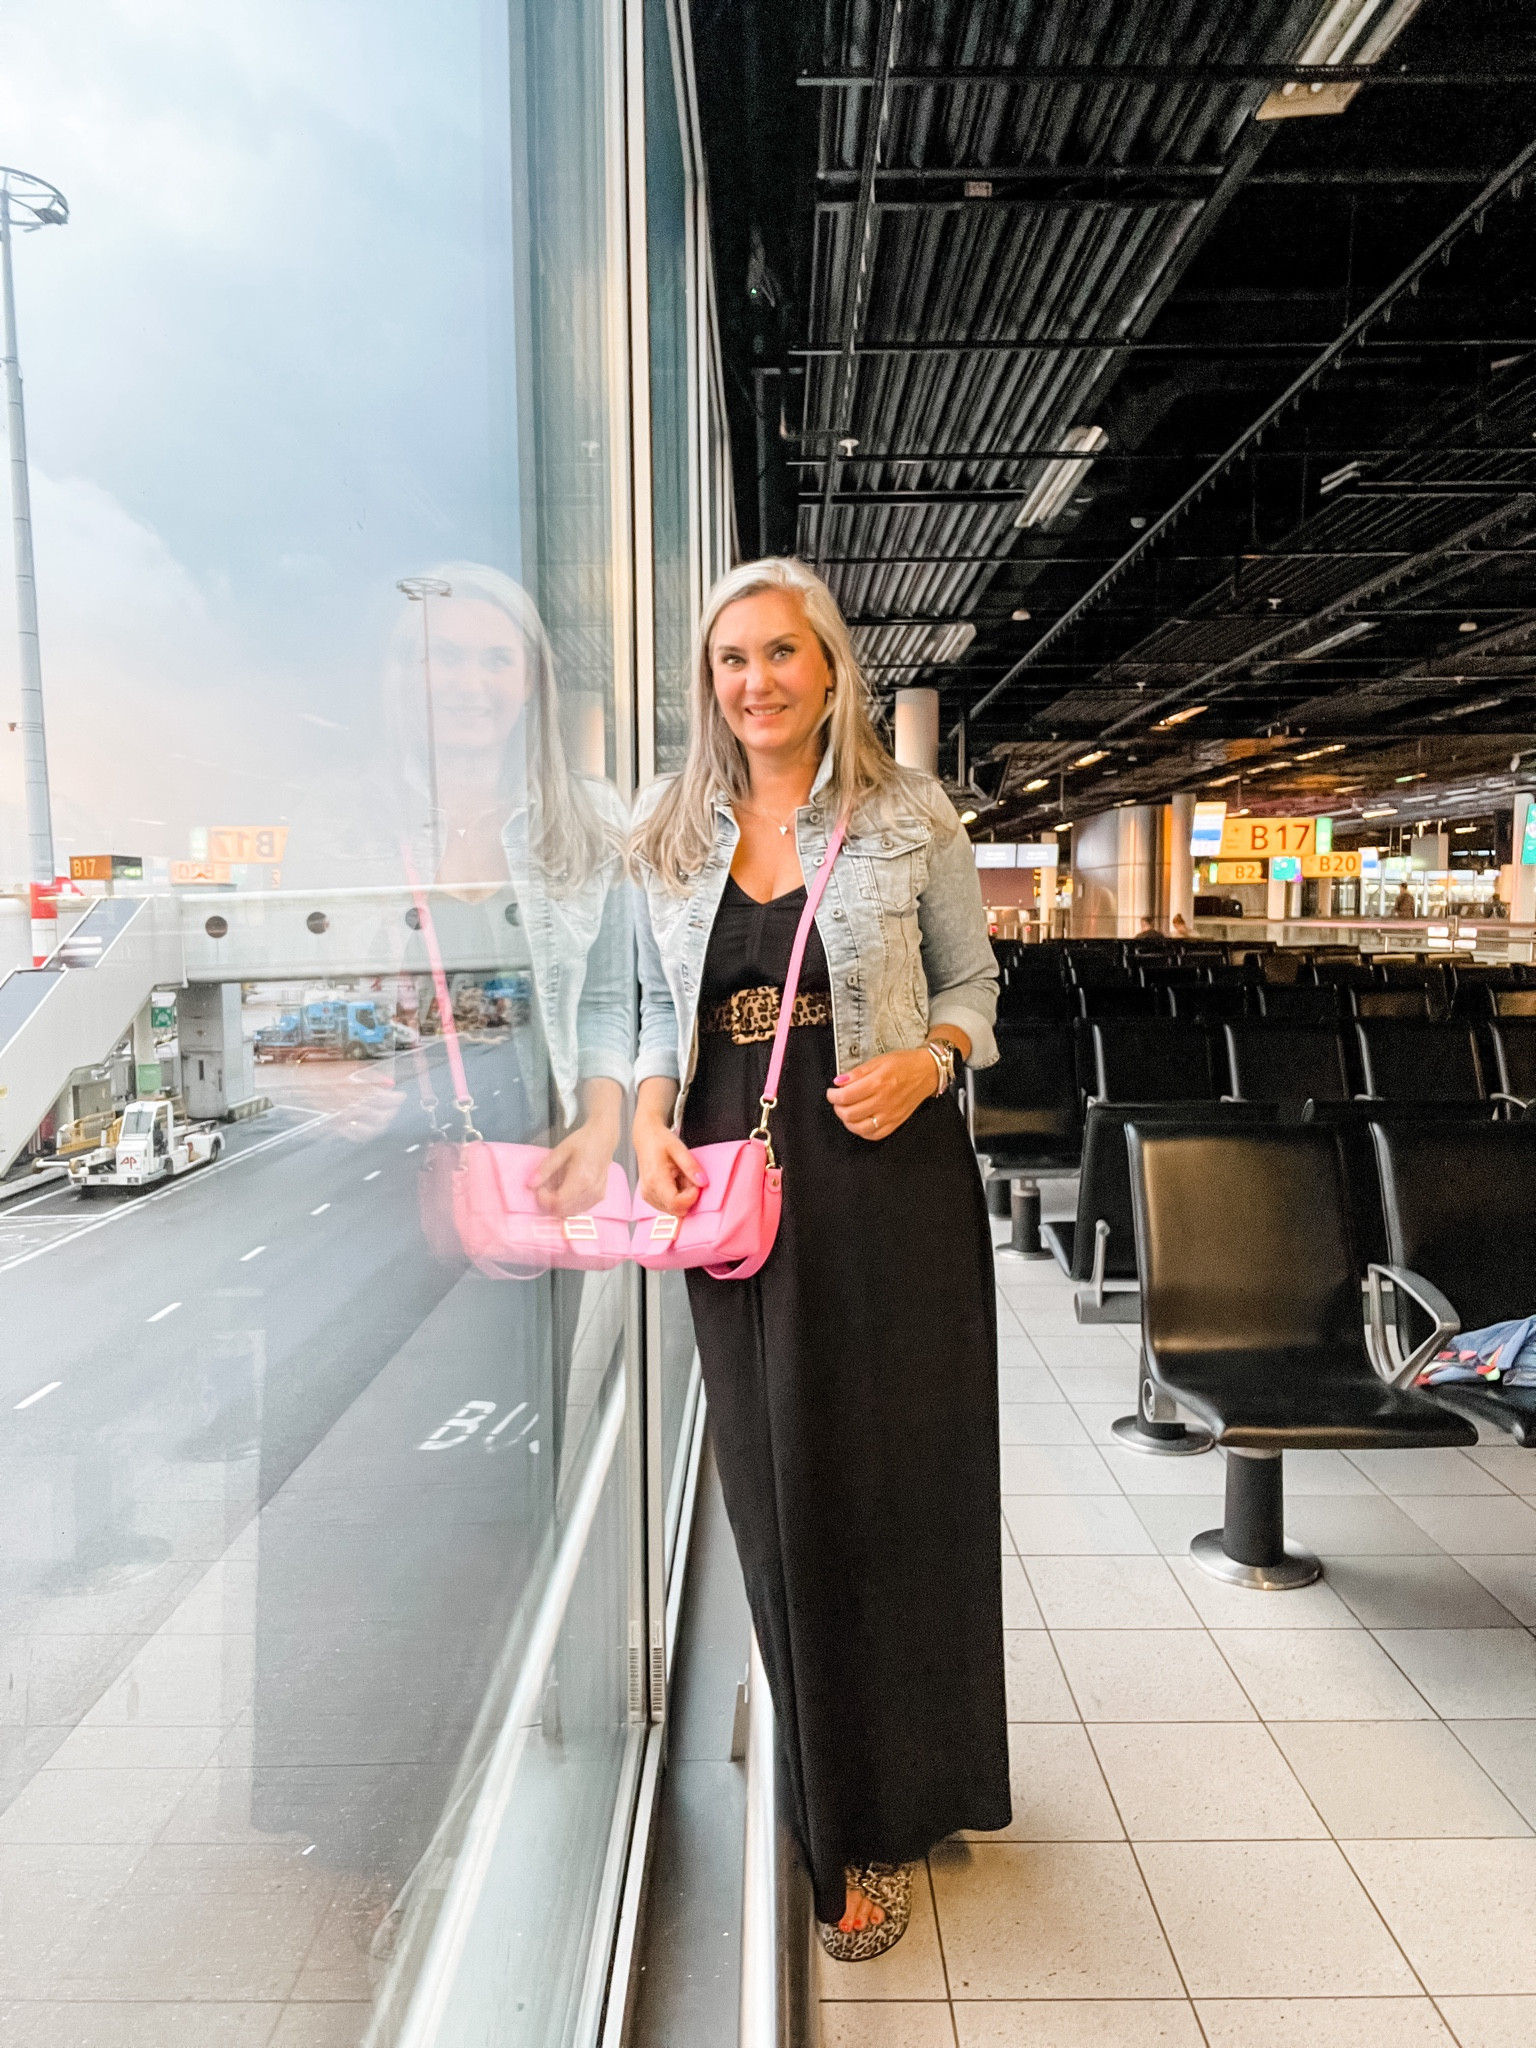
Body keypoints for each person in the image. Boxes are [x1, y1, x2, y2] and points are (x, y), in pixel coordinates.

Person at [630, 557, 1010, 1960]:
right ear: (710, 684)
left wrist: (930, 1059)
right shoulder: (669, 834)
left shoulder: (908, 815)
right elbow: (638, 1012)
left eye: (782, 653)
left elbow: (977, 984)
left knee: (903, 1490)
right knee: (780, 1500)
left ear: (831, 666)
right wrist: (653, 1117)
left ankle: (917, 1784)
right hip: (733, 1181)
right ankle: (834, 1814)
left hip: (887, 1171)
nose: (757, 681)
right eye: (733, 660)